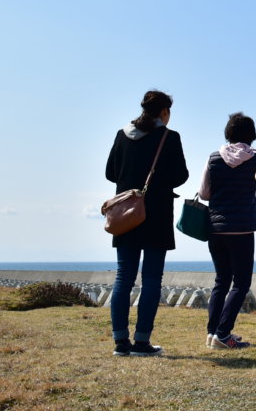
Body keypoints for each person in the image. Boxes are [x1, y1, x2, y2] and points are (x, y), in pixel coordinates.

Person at [105, 90, 189, 357]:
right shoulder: (169, 137)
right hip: (157, 215)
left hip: (126, 214)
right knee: (152, 278)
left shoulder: (122, 135)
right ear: (164, 112)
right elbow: (181, 176)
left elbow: (110, 173)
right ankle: (142, 342)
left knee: (124, 277)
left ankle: (120, 342)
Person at [200, 112, 256, 350]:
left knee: (221, 281)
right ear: (252, 135)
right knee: (241, 283)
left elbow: (204, 193)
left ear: (228, 132)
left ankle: (212, 332)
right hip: (243, 229)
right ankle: (223, 335)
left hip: (216, 228)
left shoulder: (213, 157)